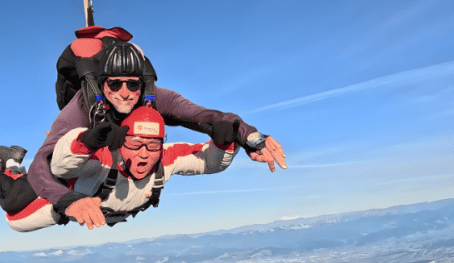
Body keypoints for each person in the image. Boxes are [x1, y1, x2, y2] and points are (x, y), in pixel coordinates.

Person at [29, 40, 287, 225]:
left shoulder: (155, 98)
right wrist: (67, 199)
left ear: (143, 83)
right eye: (115, 84)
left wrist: (251, 137)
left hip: (120, 165)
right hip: (85, 149)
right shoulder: (82, 108)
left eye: (133, 84)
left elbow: (206, 118)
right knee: (20, 209)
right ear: (101, 84)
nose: (125, 92)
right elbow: (41, 164)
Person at [0, 106, 240, 232]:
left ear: (162, 143)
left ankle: (13, 164)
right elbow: (61, 162)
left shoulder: (165, 158)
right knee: (12, 212)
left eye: (153, 145)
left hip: (91, 207)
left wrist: (223, 141)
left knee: (16, 219)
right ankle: (2, 167)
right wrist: (84, 141)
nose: (145, 154)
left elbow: (208, 162)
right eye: (136, 143)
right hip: (62, 188)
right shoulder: (104, 157)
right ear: (122, 140)